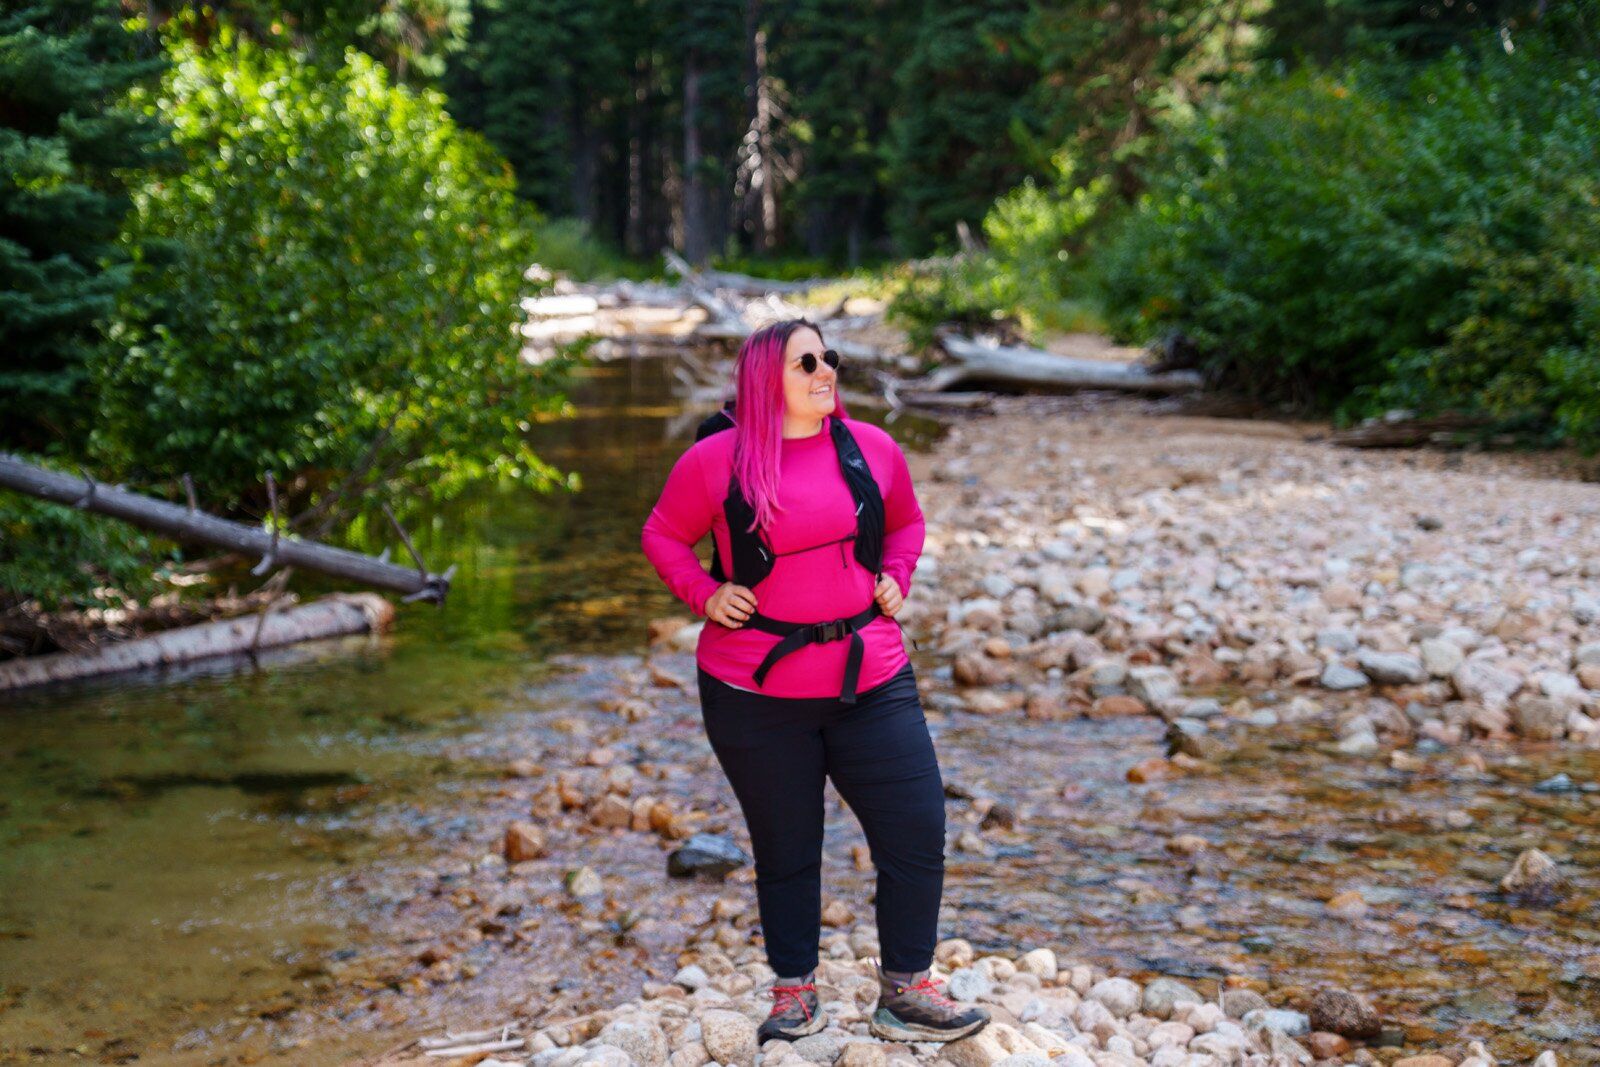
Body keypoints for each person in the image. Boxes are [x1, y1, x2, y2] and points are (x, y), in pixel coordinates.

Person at [640, 318, 990, 1044]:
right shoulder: (715, 461)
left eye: (827, 356)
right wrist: (704, 593)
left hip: (873, 678)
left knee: (917, 828)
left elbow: (907, 523)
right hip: (754, 692)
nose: (824, 369)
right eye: (805, 362)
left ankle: (907, 991)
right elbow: (663, 535)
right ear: (765, 378)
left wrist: (897, 575)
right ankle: (795, 993)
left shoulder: (873, 448)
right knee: (787, 846)